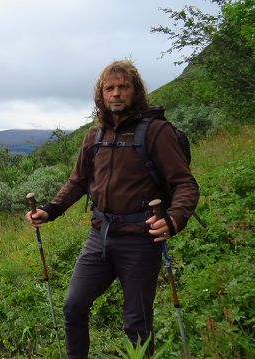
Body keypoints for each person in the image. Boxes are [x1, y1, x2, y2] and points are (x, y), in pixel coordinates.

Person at [26, 60, 199, 358]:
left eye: (123, 87)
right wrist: (50, 209)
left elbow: (185, 184)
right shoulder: (95, 136)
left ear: (136, 91)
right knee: (74, 305)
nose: (116, 93)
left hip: (142, 240)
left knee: (137, 323)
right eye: (110, 88)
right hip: (100, 237)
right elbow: (78, 181)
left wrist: (173, 219)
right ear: (101, 95)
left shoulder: (156, 132)